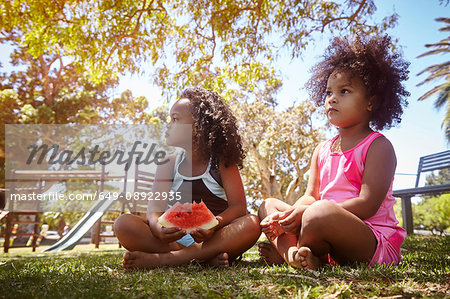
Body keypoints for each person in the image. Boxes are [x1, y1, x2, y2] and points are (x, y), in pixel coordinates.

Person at [258, 35, 410, 270]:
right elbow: (311, 195)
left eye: (344, 91)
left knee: (319, 212)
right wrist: (294, 213)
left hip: (369, 240)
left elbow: (367, 204)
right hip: (317, 223)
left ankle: (293, 252)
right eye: (328, 92)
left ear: (371, 101)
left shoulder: (378, 146)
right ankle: (295, 256)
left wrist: (307, 212)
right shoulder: (322, 149)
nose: (332, 99)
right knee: (268, 205)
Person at [114, 87, 260, 269]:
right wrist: (158, 228)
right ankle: (203, 258)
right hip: (177, 241)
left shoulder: (222, 163)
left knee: (252, 224)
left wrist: (214, 224)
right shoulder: (167, 163)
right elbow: (154, 210)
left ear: (199, 127)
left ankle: (169, 260)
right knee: (123, 224)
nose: (168, 124)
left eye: (175, 119)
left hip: (214, 237)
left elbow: (239, 207)